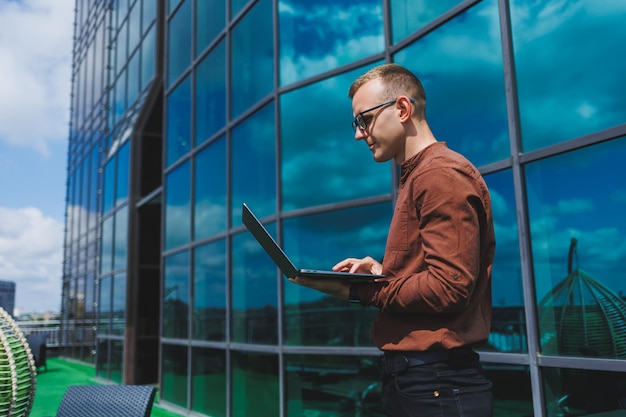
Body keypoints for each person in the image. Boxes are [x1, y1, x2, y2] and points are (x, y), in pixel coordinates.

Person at [288, 63, 496, 417]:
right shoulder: (419, 176)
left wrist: (361, 290)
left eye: (363, 120)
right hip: (424, 382)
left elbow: (449, 287)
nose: (358, 134)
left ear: (402, 109)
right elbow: (438, 276)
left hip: (437, 384)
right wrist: (383, 270)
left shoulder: (440, 175)